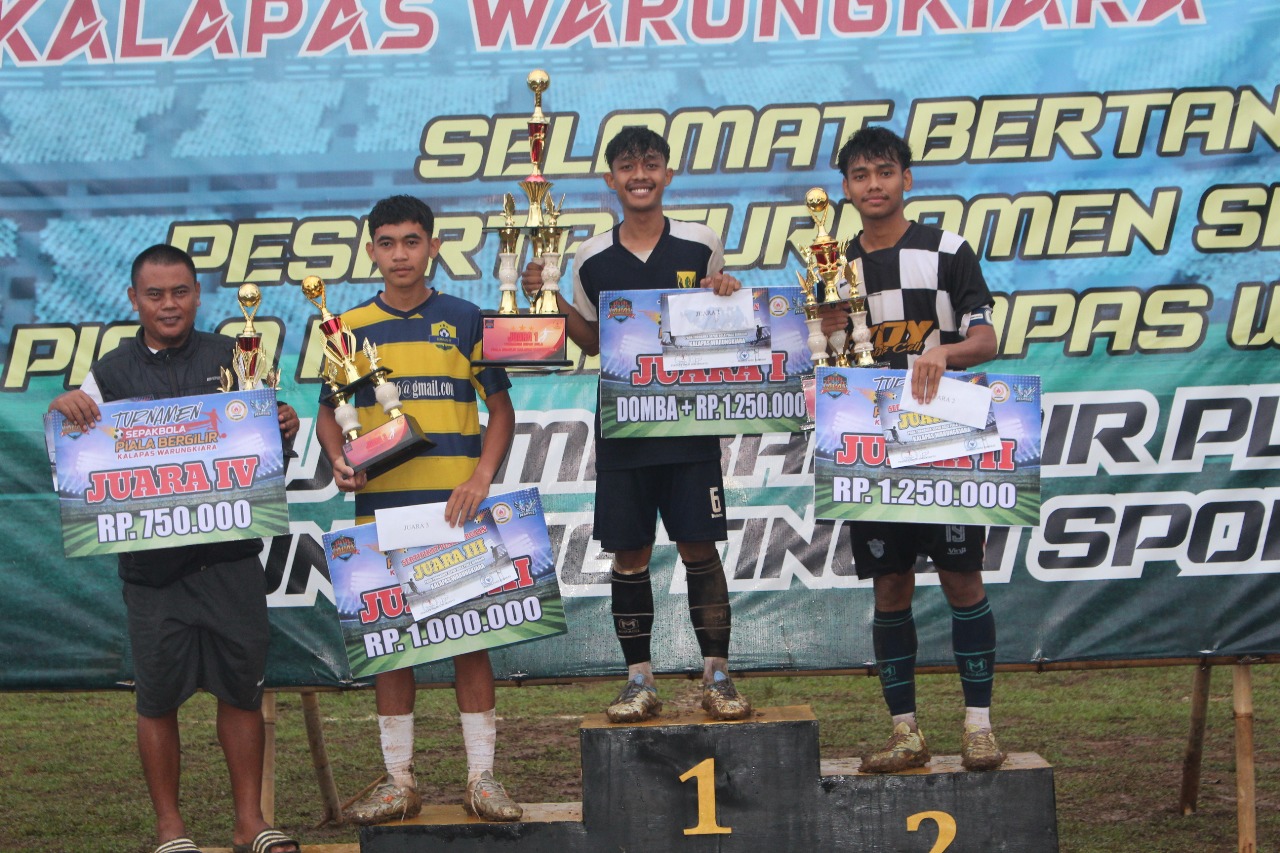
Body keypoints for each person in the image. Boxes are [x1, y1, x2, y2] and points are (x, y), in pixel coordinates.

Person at [48, 244, 302, 853]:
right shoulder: (109, 373)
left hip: (230, 561)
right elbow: (73, 459)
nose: (169, 304)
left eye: (181, 292)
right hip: (153, 574)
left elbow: (266, 452)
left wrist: (282, 425)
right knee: (157, 701)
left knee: (241, 693)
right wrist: (62, 409)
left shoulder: (235, 356)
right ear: (133, 299)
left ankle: (249, 823)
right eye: (155, 294)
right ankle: (171, 830)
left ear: (198, 294)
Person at [521, 126, 751, 723]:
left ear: (668, 174)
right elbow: (594, 341)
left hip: (689, 424)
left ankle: (717, 675)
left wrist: (726, 291)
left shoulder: (700, 242)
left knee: (699, 546)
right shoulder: (590, 257)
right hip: (624, 425)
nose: (640, 175)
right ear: (611, 179)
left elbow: (719, 320)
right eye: (627, 166)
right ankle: (638, 680)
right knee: (629, 554)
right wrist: (550, 299)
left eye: (650, 164)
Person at [316, 195, 520, 824]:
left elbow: (501, 411)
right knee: (391, 645)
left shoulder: (465, 318)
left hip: (454, 510)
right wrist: (338, 459)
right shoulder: (345, 327)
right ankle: (399, 780)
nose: (399, 254)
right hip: (381, 510)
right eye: (387, 243)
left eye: (411, 241)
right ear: (371, 251)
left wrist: (481, 478)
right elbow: (329, 414)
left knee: (471, 641)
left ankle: (482, 779)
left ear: (433, 247)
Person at [822, 126, 1004, 773]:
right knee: (890, 585)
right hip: (872, 447)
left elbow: (986, 340)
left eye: (884, 172)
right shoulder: (833, 267)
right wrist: (823, 336)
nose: (873, 185)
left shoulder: (947, 249)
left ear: (907, 178)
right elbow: (823, 362)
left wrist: (944, 352)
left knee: (962, 578)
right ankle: (906, 733)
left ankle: (979, 728)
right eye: (860, 175)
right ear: (846, 188)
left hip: (946, 437)